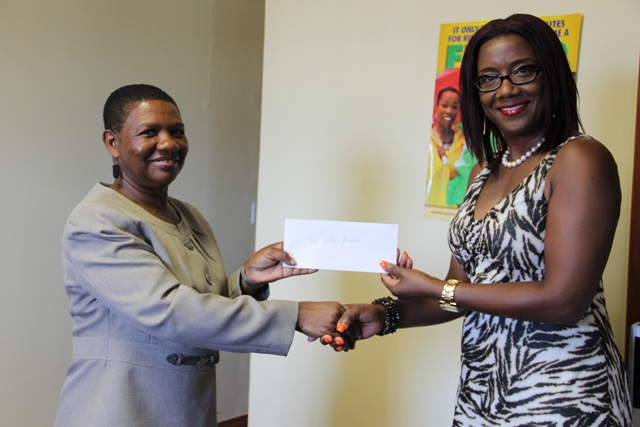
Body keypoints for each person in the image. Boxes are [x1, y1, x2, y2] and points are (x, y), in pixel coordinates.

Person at [336, 14, 633, 426]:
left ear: (552, 75)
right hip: (483, 393)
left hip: (564, 396)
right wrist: (384, 315)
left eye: (522, 71)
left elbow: (565, 300)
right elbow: (462, 293)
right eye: (488, 78)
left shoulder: (579, 159)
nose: (506, 89)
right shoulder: (482, 172)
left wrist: (440, 287)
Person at [54, 84, 349, 427]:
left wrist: (246, 279)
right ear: (112, 142)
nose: (168, 143)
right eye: (150, 132)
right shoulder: (97, 220)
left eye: (176, 131)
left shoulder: (189, 216)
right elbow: (169, 311)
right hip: (121, 409)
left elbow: (203, 303)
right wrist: (295, 316)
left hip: (189, 406)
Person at [425, 87, 466, 208]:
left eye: (454, 107)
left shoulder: (464, 141)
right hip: (428, 209)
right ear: (436, 106)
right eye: (444, 105)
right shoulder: (426, 138)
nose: (449, 111)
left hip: (454, 211)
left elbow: (465, 177)